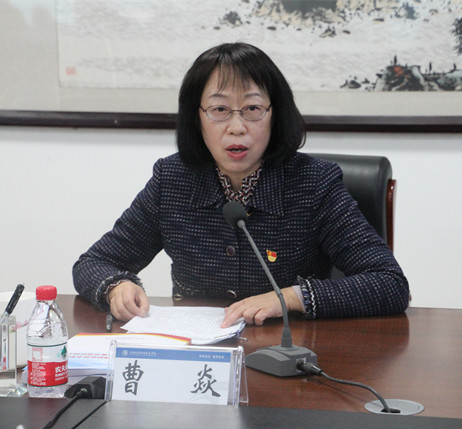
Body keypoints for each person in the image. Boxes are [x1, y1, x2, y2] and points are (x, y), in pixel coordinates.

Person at [72, 42, 409, 327]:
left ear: (275, 115)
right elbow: (92, 263)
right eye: (219, 109)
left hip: (289, 356)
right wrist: (116, 287)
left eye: (252, 109)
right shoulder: (172, 180)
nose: (236, 127)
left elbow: (390, 283)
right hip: (201, 356)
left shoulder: (313, 183)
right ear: (197, 118)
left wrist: (291, 297)